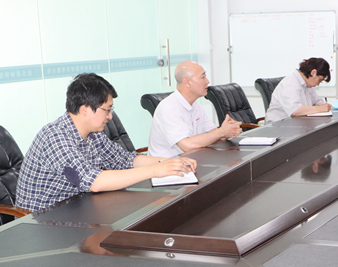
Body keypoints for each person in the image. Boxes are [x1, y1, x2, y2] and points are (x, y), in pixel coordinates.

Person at [16, 73, 197, 212]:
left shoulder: (93, 133)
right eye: (107, 110)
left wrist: (170, 162)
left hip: (76, 209)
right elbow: (94, 182)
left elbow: (126, 160)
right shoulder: (55, 137)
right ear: (85, 110)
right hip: (43, 221)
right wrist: (155, 170)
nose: (110, 116)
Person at [148, 61, 242, 158]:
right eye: (203, 77)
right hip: (166, 164)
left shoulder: (196, 106)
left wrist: (227, 132)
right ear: (187, 82)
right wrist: (220, 132)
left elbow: (212, 135)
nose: (207, 81)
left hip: (191, 160)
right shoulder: (168, 107)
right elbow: (186, 145)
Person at [265, 57, 332, 123]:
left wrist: (318, 106)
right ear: (313, 72)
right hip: (278, 126)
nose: (318, 84)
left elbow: (318, 101)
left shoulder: (307, 84)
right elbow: (295, 111)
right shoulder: (290, 84)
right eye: (319, 80)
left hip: (296, 123)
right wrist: (319, 109)